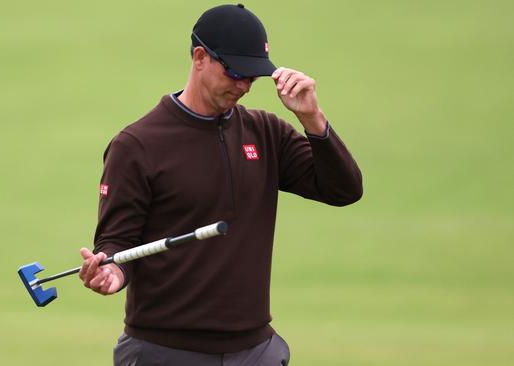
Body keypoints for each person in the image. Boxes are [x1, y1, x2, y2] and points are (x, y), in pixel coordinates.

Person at [79, 4, 362, 365]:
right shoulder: (137, 145)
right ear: (200, 57)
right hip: (163, 352)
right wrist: (111, 272)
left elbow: (343, 190)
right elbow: (117, 243)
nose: (244, 86)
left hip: (256, 350)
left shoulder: (265, 132)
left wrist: (312, 118)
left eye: (252, 77)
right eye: (235, 74)